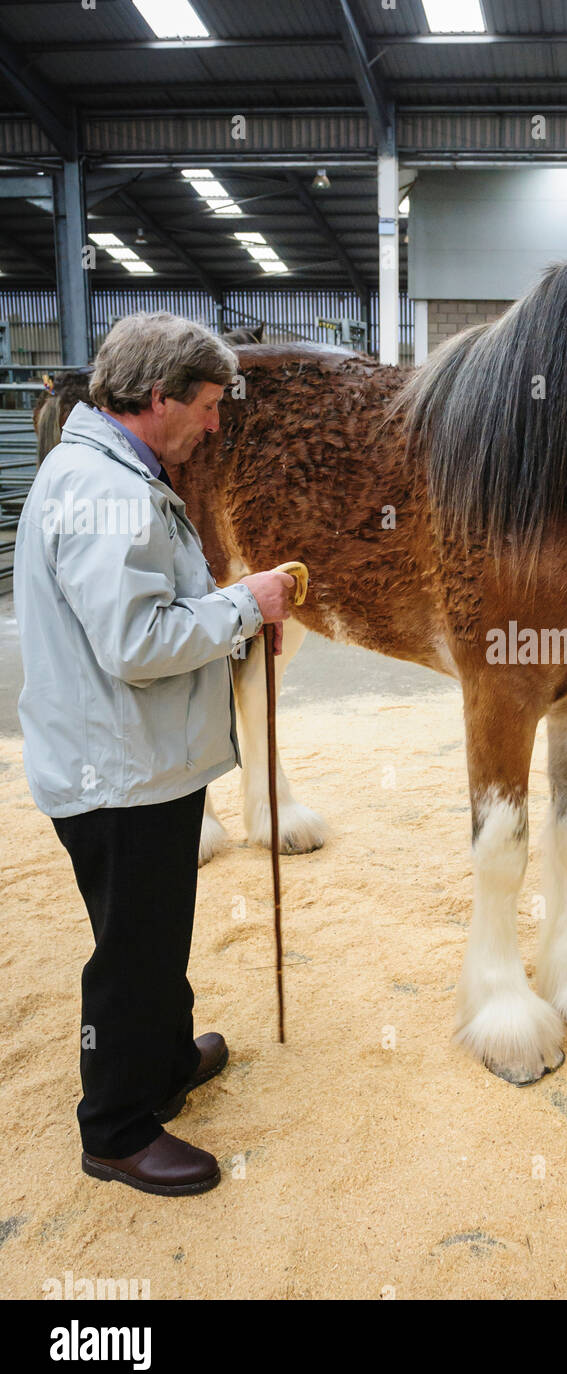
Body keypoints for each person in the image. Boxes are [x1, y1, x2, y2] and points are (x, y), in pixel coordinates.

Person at [14, 312, 296, 1197]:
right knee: (133, 950)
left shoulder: (110, 470)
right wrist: (245, 606)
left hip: (133, 763)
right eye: (207, 406)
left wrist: (224, 611)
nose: (215, 424)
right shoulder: (112, 492)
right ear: (158, 397)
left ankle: (165, 1058)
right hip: (117, 774)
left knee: (155, 929)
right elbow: (135, 644)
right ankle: (117, 1128)